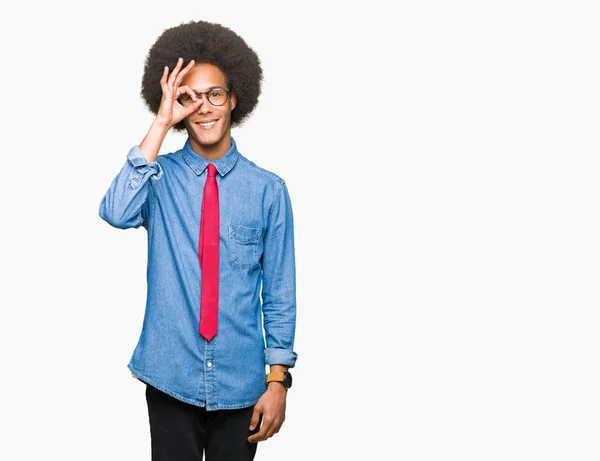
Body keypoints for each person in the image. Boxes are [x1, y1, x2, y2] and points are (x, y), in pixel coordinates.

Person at [98, 20, 297, 461]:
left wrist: (277, 381)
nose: (203, 107)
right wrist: (162, 121)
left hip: (240, 385)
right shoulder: (159, 179)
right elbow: (115, 211)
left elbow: (279, 294)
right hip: (170, 376)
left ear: (234, 101)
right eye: (190, 96)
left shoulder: (268, 191)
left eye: (215, 94)